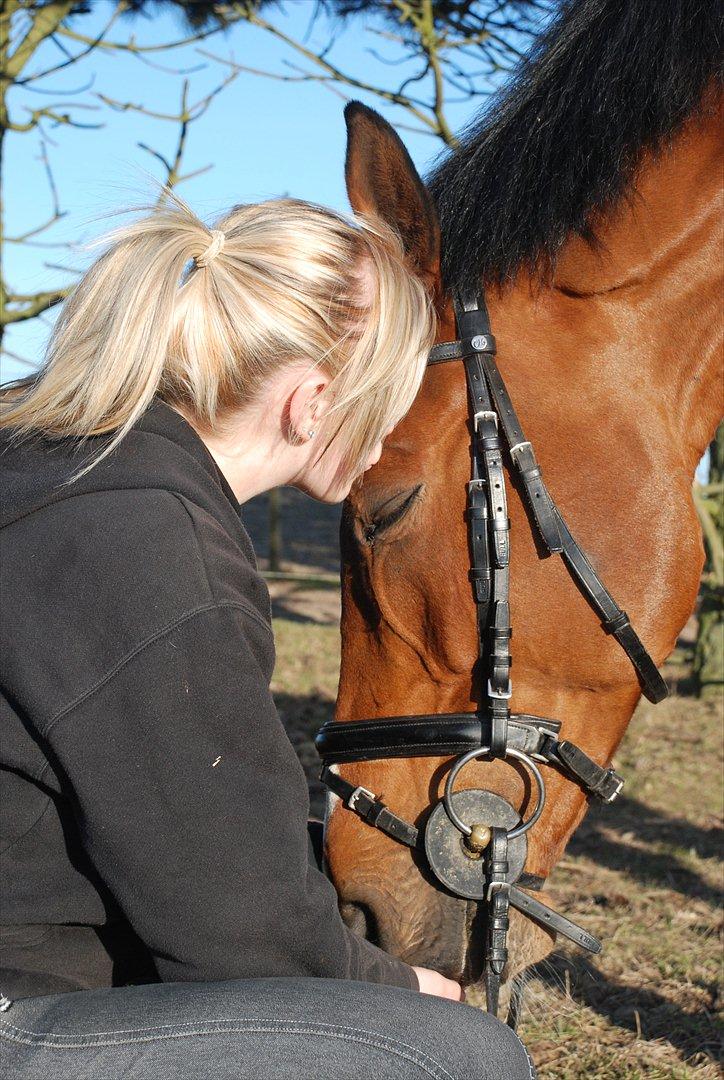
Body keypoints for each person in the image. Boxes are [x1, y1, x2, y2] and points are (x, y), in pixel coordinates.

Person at [0, 192, 536, 1078]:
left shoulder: (52, 458)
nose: (382, 444)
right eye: (385, 408)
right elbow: (241, 934)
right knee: (456, 1057)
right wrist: (399, 988)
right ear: (313, 402)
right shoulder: (152, 551)